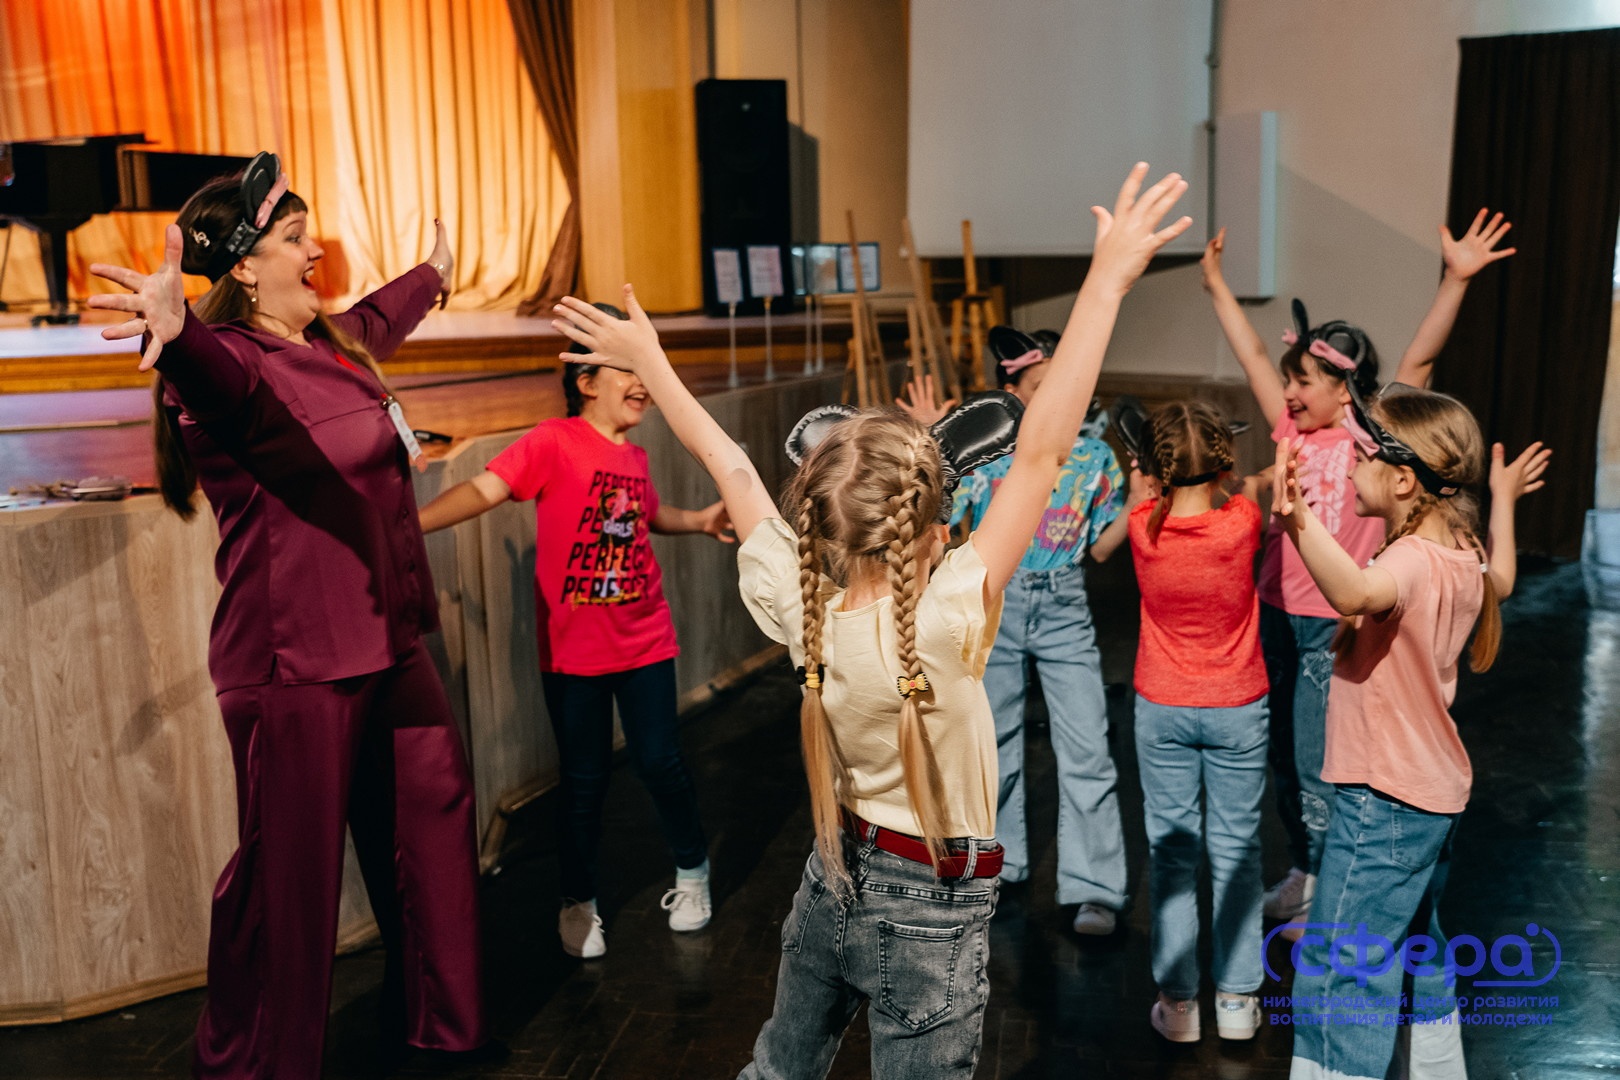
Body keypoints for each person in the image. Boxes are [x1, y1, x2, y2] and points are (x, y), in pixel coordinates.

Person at [548, 162, 1191, 1078]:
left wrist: (650, 359)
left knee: (777, 1071)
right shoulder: (951, 615)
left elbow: (731, 466)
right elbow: (1043, 451)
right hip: (933, 901)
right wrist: (1108, 281)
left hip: (833, 872)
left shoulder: (798, 598)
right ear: (932, 528)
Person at [86, 156, 491, 1077]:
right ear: (244, 264)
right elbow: (211, 378)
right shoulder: (232, 364)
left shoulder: (329, 343)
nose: (317, 251)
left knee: (433, 820)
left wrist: (434, 273)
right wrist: (177, 334)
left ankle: (444, 1027)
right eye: (296, 238)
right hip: (295, 661)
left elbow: (378, 319)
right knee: (289, 884)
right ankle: (258, 1064)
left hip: (389, 636)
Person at [1199, 211, 1515, 934]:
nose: (1288, 392)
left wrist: (1455, 281)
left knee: (1319, 757)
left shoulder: (1369, 441)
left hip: (1330, 622)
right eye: (1288, 382)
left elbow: (1420, 362)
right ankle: (1307, 864)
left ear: (1344, 390)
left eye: (1303, 381)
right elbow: (1252, 353)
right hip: (1276, 612)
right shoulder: (1292, 432)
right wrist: (1215, 284)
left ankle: (1321, 877)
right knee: (1287, 754)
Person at [418, 304, 731, 959]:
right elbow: (484, 489)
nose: (643, 381)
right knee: (583, 782)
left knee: (660, 763)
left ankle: (693, 870)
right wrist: (410, 524)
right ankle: (579, 900)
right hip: (572, 656)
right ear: (587, 382)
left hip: (646, 641)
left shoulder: (636, 456)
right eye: (628, 368)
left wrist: (699, 521)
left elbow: (647, 516)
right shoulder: (552, 441)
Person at [1272, 383, 1548, 1079]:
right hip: (1431, 795)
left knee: (1342, 966)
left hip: (1383, 800)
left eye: (1364, 455)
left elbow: (1354, 593)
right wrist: (1503, 499)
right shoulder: (1460, 551)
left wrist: (1298, 519)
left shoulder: (1411, 561)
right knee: (1416, 944)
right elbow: (1503, 579)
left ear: (1402, 481)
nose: (1352, 464)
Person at [929, 323, 1131, 936]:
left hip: (1065, 606)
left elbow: (1101, 545)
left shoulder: (1094, 456)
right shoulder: (988, 457)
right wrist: (935, 451)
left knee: (1088, 747)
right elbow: (945, 526)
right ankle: (999, 863)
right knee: (993, 742)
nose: (1061, 400)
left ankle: (1095, 885)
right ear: (1011, 390)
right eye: (1044, 387)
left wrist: (1143, 498)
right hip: (997, 600)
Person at [1125, 401, 1269, 1043]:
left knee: (1172, 853)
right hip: (1237, 705)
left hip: (1162, 705)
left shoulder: (1141, 529)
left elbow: (1151, 503)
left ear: (1154, 468)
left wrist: (1147, 484)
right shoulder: (1242, 522)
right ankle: (1236, 1000)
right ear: (1222, 462)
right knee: (1238, 851)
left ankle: (1179, 1004)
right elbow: (1243, 497)